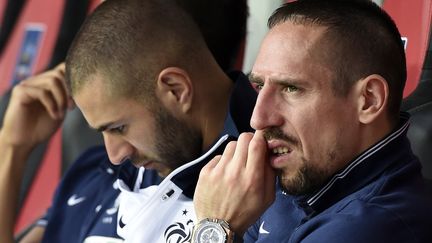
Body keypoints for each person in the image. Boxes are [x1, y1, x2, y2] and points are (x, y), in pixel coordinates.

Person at [0, 0, 249, 242]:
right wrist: (12, 147)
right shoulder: (94, 173)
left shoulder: (265, 187)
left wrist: (215, 232)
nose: (115, 155)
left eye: (119, 128)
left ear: (176, 89)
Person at [193, 0, 432, 242]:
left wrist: (215, 226)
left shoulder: (369, 226)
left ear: (369, 100)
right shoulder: (303, 172)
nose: (258, 119)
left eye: (291, 88)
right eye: (260, 86)